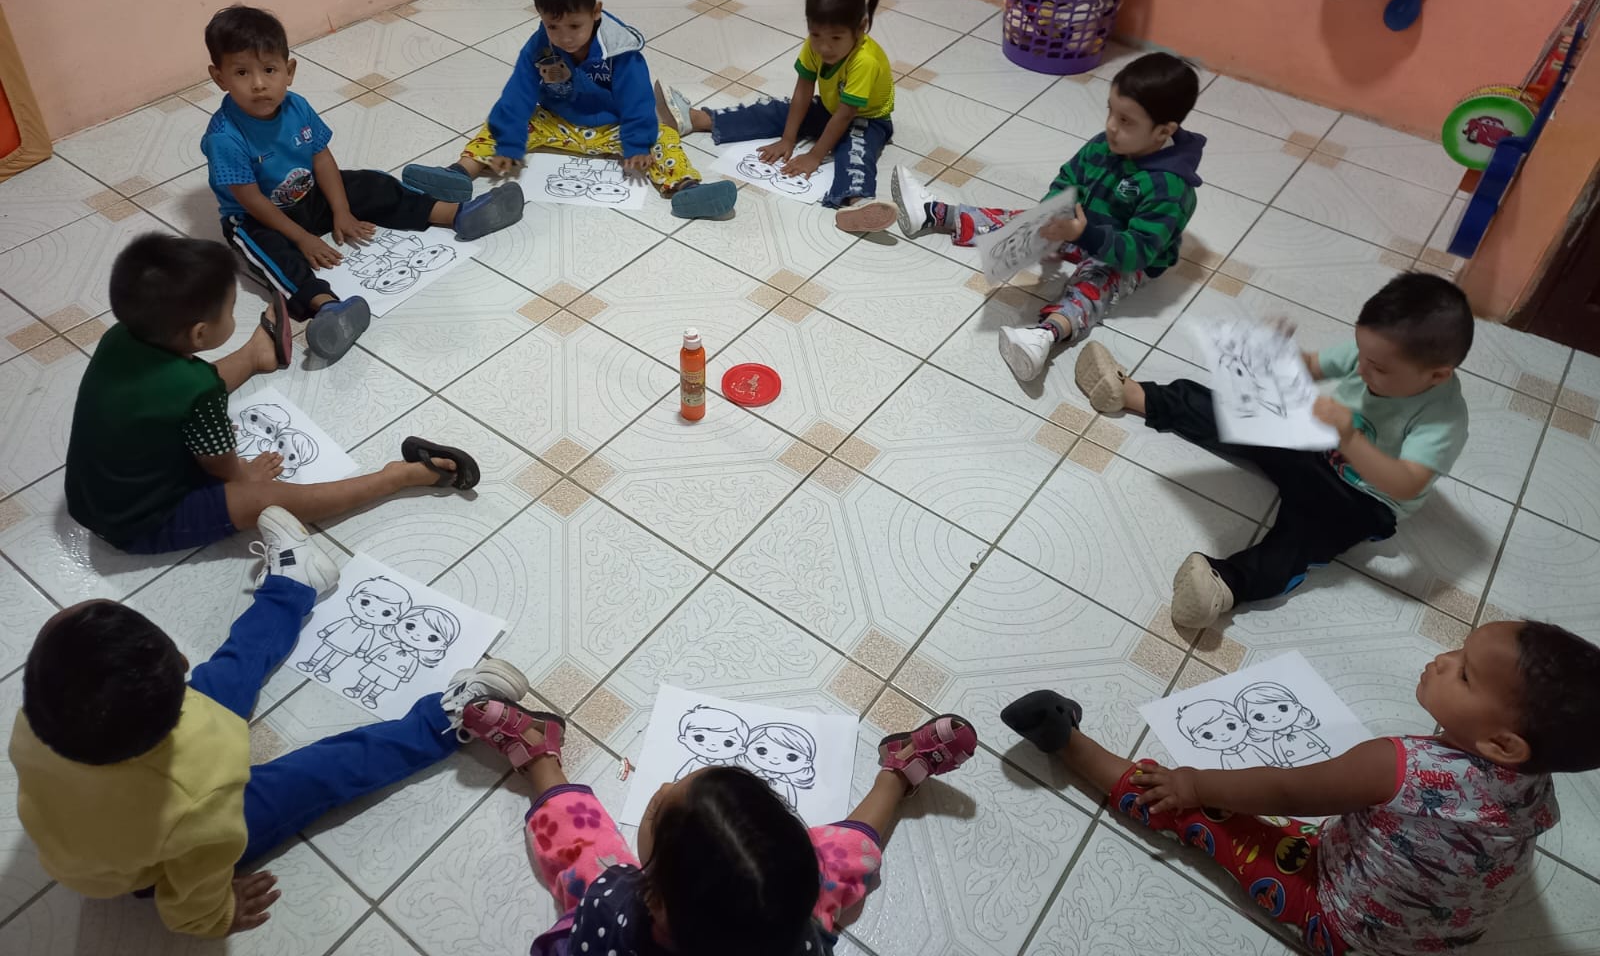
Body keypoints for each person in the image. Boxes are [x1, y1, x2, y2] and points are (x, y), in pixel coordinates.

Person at [9, 508, 533, 937]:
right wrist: (211, 917)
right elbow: (196, 877)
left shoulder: (40, 714)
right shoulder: (202, 792)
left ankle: (294, 583)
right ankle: (443, 720)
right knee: (318, 773)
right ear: (180, 666)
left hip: (102, 815)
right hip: (150, 864)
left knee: (230, 673)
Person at [1001, 618, 1600, 955]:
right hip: (1447, 935)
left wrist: (1192, 780)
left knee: (1192, 808)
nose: (1442, 659)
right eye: (1459, 647)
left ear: (1502, 744)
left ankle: (1065, 742)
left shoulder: (1395, 765)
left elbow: (1287, 791)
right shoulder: (1534, 780)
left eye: (1464, 674)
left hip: (1346, 927)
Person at [1075, 270, 1472, 630]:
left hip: (1363, 499)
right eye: (1361, 354)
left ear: (1437, 375)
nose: (1362, 369)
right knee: (1242, 412)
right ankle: (1137, 395)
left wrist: (1350, 438)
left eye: (1379, 369)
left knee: (1302, 541)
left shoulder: (1442, 420)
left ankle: (1228, 584)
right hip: (1319, 443)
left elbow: (1406, 483)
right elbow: (1313, 366)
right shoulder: (1375, 353)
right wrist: (1275, 357)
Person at [63, 233, 485, 555]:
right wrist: (244, 474)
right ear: (200, 334)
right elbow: (220, 464)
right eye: (230, 310)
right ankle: (396, 478)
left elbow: (174, 391)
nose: (233, 315)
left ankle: (256, 355)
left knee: (192, 384)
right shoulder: (197, 390)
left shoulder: (121, 337)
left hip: (90, 498)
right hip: (139, 522)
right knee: (263, 499)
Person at [460, 700, 977, 956]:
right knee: (843, 858)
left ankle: (538, 755)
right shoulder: (793, 927)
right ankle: (897, 775)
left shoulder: (613, 908)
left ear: (654, 897)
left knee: (582, 851)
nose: (663, 786)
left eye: (659, 804)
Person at [202, 4, 524, 362]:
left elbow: (322, 159)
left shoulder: (297, 106)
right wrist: (303, 238)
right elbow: (250, 199)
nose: (259, 84)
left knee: (370, 184)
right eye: (242, 72)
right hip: (256, 216)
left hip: (308, 194)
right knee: (274, 256)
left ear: (289, 71)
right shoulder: (224, 137)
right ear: (220, 78)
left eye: (269, 69)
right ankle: (328, 310)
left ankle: (455, 214)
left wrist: (341, 210)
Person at [894, 52, 1203, 381]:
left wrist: (1084, 235)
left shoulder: (1169, 188)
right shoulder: (1105, 145)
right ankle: (934, 213)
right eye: (1110, 111)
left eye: (1126, 121)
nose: (1111, 126)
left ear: (1162, 131)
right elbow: (1068, 179)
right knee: (1025, 220)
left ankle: (1044, 336)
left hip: (1124, 258)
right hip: (1080, 227)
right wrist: (1052, 214)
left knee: (1096, 281)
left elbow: (1137, 252)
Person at [401, 0, 736, 220]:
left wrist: (636, 144)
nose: (565, 37)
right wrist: (510, 142)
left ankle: (686, 189)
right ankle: (460, 173)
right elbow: (518, 93)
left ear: (596, 12)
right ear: (541, 17)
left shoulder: (620, 50)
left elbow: (637, 100)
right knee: (500, 121)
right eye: (553, 26)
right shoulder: (539, 46)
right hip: (556, 122)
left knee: (662, 136)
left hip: (613, 128)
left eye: (575, 25)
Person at [656, 0, 898, 233]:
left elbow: (846, 115)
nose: (824, 47)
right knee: (775, 110)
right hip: (830, 108)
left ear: (861, 28)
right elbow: (803, 90)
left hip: (866, 119)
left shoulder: (865, 61)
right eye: (816, 35)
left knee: (855, 150)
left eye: (836, 38)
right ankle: (696, 119)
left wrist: (815, 155)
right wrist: (788, 138)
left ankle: (858, 200)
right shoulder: (815, 44)